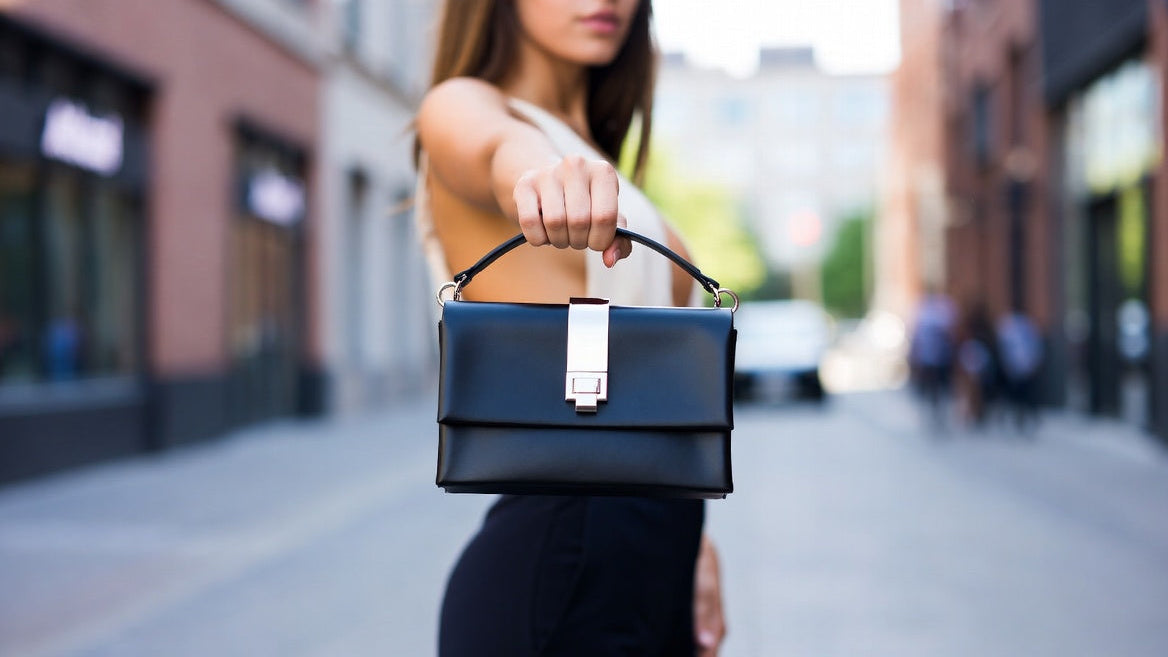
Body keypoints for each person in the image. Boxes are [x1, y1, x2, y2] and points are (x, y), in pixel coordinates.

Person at [413, 1, 726, 655]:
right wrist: (540, 174)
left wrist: (694, 538)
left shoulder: (593, 150)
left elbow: (646, 401)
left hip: (649, 567)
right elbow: (499, 150)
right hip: (558, 577)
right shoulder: (466, 106)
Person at [908, 287, 956, 430]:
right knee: (931, 389)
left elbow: (950, 333)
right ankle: (933, 416)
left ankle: (940, 416)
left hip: (940, 357)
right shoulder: (922, 310)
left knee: (941, 388)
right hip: (928, 358)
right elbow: (916, 336)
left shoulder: (943, 309)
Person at [996, 309, 1043, 433]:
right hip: (1016, 368)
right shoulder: (1009, 330)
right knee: (1017, 394)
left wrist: (1033, 363)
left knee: (1027, 394)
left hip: (1025, 368)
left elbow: (1035, 347)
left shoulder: (1025, 330)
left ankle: (1028, 416)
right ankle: (1019, 418)